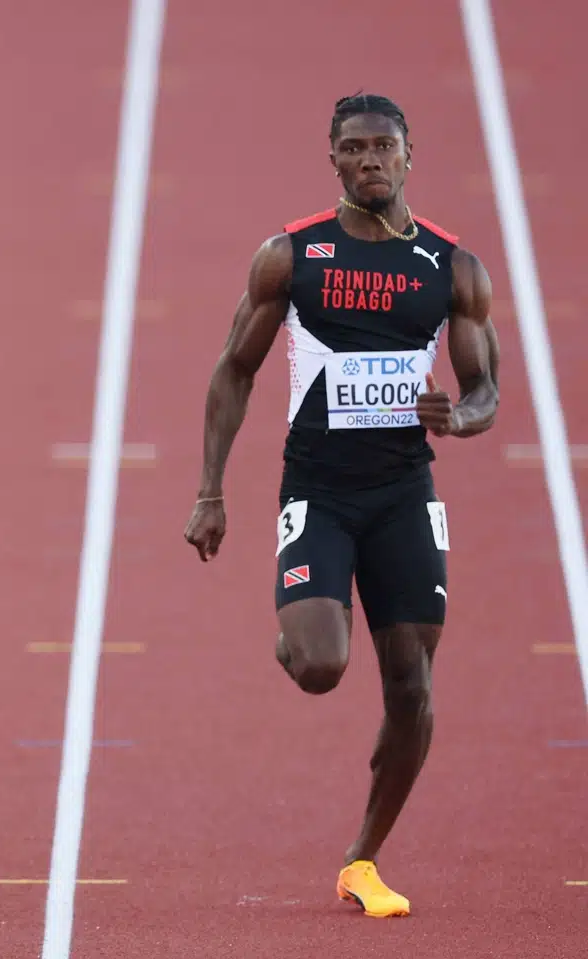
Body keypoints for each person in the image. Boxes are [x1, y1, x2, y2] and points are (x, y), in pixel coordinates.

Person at [183, 93, 500, 918]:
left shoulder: (451, 268)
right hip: (319, 490)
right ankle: (299, 625)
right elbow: (233, 368)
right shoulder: (293, 257)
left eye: (383, 147)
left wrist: (459, 417)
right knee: (321, 666)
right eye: (353, 148)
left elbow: (485, 387)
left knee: (414, 689)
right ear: (333, 160)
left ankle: (364, 856)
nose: (369, 160)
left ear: (408, 156)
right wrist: (211, 490)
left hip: (403, 493)